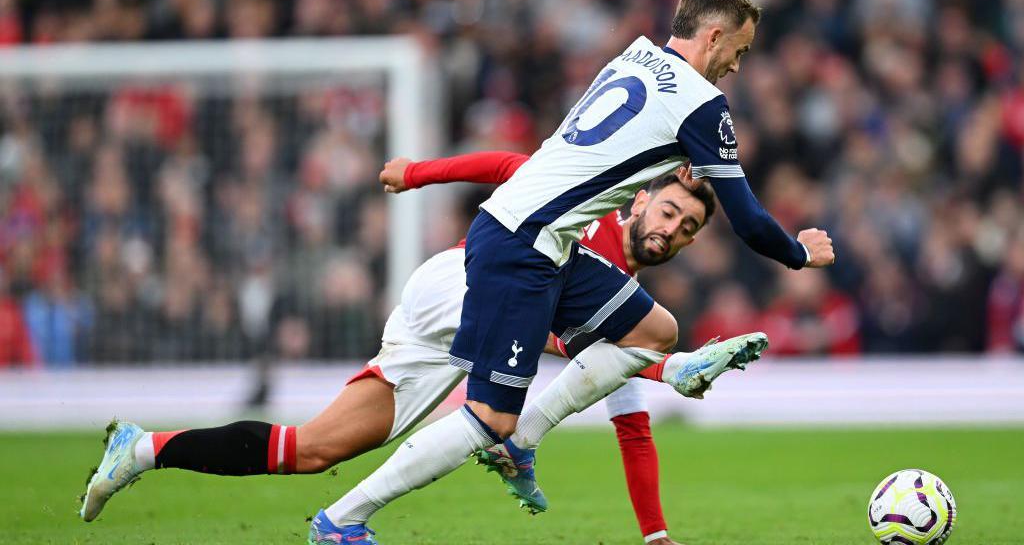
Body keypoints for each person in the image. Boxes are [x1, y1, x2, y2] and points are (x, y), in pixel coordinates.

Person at [310, 0, 834, 544]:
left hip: (540, 240)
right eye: (740, 50)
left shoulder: (633, 57)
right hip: (522, 245)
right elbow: (753, 223)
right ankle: (343, 519)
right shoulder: (705, 106)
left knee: (655, 330)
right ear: (713, 38)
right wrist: (801, 253)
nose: (737, 65)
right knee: (487, 420)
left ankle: (525, 437)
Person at [80, 151, 761, 545]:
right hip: (459, 285)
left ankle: (141, 449)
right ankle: (491, 452)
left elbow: (631, 420)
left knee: (313, 449)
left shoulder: (620, 309)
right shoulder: (589, 211)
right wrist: (418, 173)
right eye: (669, 212)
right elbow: (510, 164)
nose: (672, 231)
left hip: (444, 329)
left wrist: (655, 537)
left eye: (688, 229)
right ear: (640, 202)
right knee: (612, 350)